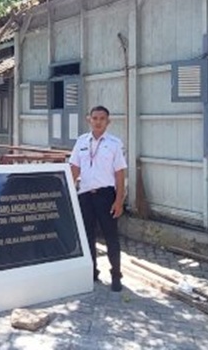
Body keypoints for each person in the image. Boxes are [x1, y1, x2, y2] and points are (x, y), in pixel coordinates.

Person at [69, 105, 128, 292]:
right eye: (94, 118)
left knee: (111, 237)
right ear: (89, 120)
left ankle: (116, 275)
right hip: (85, 195)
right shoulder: (81, 142)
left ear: (108, 122)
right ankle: (92, 272)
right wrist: (68, 194)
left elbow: (120, 174)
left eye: (102, 119)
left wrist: (119, 200)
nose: (98, 122)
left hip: (106, 196)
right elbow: (74, 170)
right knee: (87, 236)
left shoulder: (114, 143)